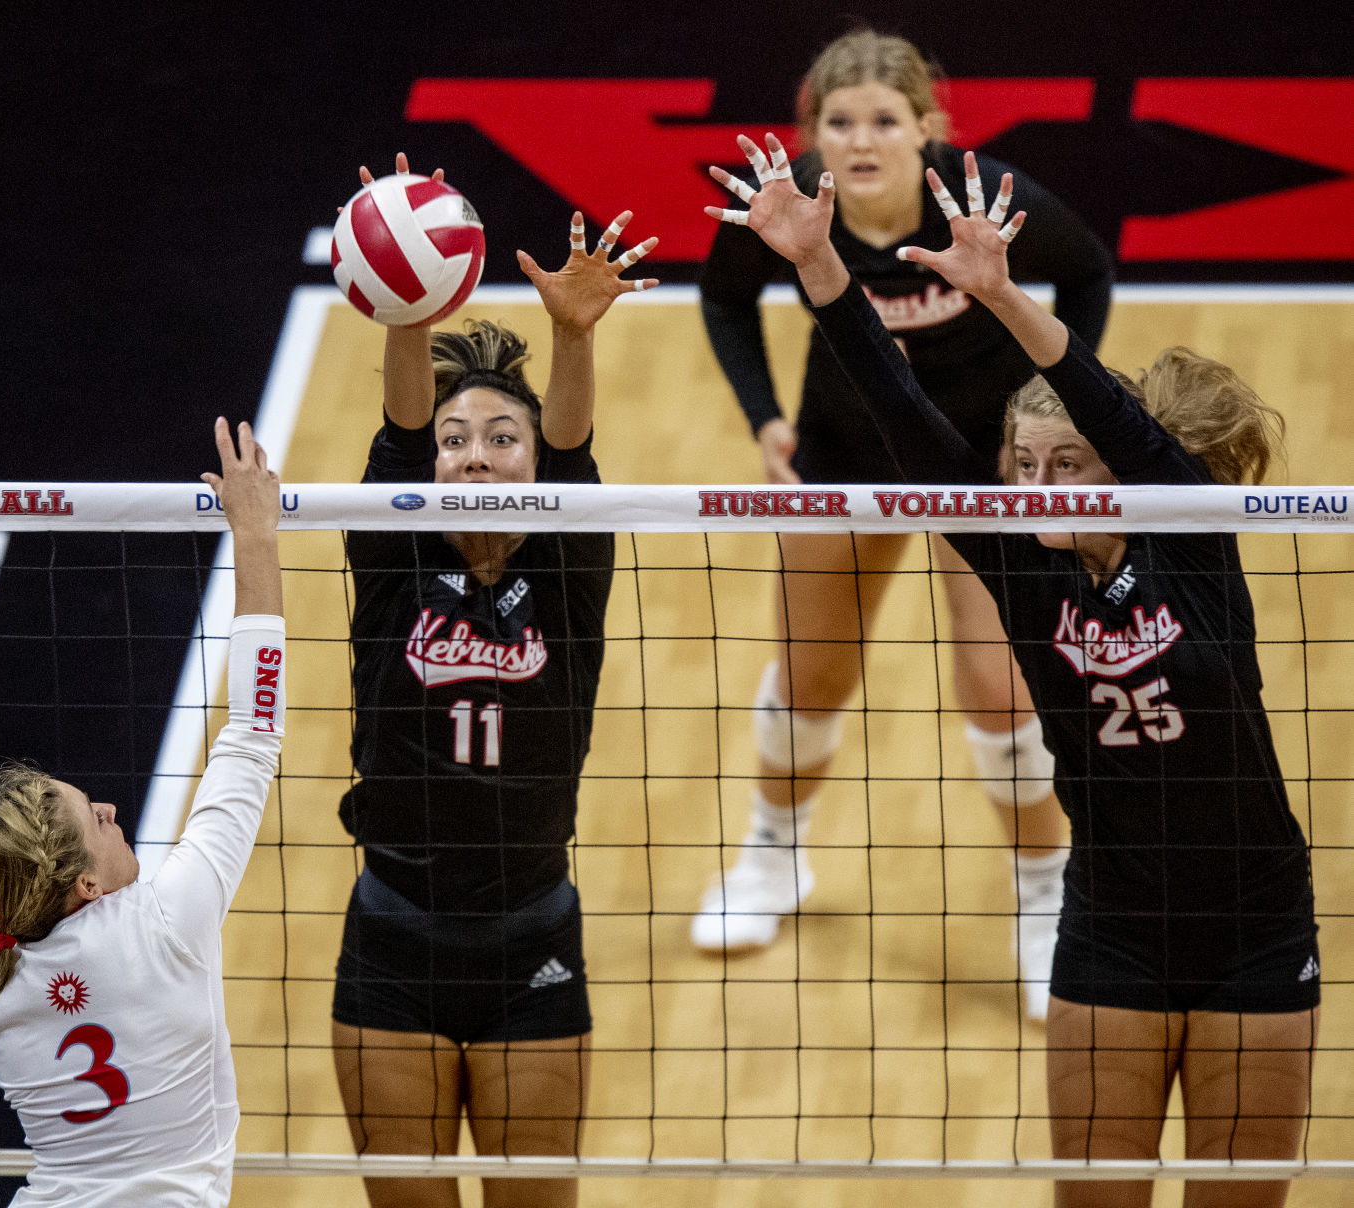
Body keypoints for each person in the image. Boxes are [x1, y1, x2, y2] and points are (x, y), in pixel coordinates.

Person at [708, 131, 1318, 1208]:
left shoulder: (1186, 537)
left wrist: (998, 297)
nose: (1038, 488)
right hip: (1111, 928)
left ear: (1120, 471)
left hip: (1254, 928)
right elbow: (900, 418)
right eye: (1022, 467)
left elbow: (1111, 409)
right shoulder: (1023, 576)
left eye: (1064, 465)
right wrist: (816, 268)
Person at [694, 30, 1114, 1020]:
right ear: (812, 136)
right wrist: (764, 418)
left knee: (996, 689)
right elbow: (721, 295)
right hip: (842, 455)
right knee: (811, 674)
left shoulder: (982, 202)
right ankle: (771, 856)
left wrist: (1060, 408)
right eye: (839, 122)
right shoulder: (790, 203)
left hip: (977, 460)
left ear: (925, 128)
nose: (861, 138)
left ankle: (1043, 895)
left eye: (884, 119)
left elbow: (1086, 270)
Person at [0, 417, 285, 1207]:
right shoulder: (169, 917)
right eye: (98, 818)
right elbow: (252, 735)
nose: (113, 809)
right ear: (83, 884)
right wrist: (254, 533)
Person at [331, 154, 656, 1208]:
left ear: (533, 463)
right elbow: (398, 438)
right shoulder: (392, 559)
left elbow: (573, 453)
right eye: (457, 439)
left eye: (500, 437)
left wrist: (569, 337)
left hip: (530, 944)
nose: (473, 454)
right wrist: (406, 307)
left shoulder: (568, 570)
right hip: (391, 938)